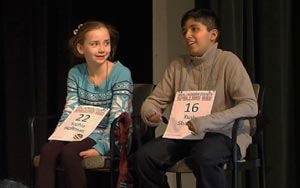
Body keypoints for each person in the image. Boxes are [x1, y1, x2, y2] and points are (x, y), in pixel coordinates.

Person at [134, 8, 258, 188]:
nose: (188, 35)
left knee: (204, 157)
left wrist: (208, 121)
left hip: (223, 134)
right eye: (184, 31)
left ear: (213, 34)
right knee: (144, 157)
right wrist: (150, 112)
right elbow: (154, 101)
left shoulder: (228, 61)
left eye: (194, 29)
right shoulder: (178, 65)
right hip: (184, 135)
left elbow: (250, 106)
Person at [35, 21, 133, 188]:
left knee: (70, 154)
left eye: (106, 43)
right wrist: (60, 136)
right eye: (95, 44)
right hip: (79, 131)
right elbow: (70, 110)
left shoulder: (121, 73)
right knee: (48, 150)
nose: (102, 49)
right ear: (81, 48)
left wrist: (102, 148)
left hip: (109, 135)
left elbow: (119, 119)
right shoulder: (76, 73)